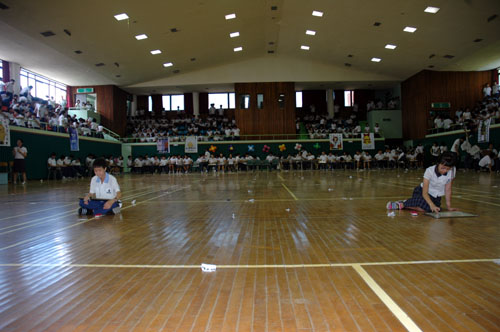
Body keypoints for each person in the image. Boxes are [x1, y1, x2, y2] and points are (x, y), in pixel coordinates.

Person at [386, 152, 458, 213]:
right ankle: (402, 204)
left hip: (435, 196)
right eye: (443, 168)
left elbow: (448, 189)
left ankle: (411, 202)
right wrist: (431, 204)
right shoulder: (429, 171)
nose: (445, 171)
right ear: (438, 163)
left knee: (432, 209)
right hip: (421, 192)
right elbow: (424, 193)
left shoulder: (452, 171)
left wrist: (449, 206)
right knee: (428, 206)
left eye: (448, 169)